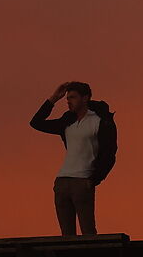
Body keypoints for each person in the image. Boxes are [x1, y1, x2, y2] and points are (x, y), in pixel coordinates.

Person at [31, 81, 118, 236]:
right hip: (62, 182)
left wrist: (94, 179)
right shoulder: (67, 122)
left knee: (88, 231)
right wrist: (53, 99)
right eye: (68, 98)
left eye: (73, 97)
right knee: (66, 235)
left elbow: (110, 153)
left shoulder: (100, 121)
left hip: (83, 181)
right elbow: (36, 123)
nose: (69, 101)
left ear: (85, 98)